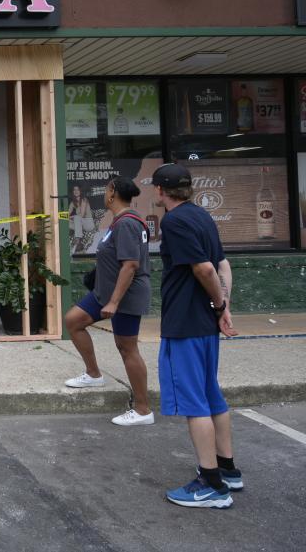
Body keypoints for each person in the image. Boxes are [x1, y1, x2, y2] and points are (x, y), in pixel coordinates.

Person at [152, 163, 240, 509]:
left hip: (186, 323)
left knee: (194, 402)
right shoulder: (203, 216)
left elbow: (204, 268)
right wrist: (223, 306)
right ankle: (228, 469)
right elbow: (223, 265)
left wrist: (219, 306)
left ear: (160, 191)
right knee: (211, 394)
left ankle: (211, 483)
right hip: (204, 323)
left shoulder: (174, 222)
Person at [63, 176, 154, 426]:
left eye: (106, 189)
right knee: (73, 320)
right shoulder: (120, 222)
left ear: (112, 192)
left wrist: (114, 302)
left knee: (127, 348)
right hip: (104, 292)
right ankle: (93, 374)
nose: (104, 194)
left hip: (124, 296)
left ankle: (143, 409)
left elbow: (130, 265)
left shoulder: (127, 224)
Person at [69, 184, 95, 254]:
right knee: (66, 221)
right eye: (74, 190)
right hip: (80, 225)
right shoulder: (72, 203)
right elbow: (67, 214)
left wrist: (71, 217)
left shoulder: (84, 200)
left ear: (80, 191)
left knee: (77, 217)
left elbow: (82, 215)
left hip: (88, 223)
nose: (76, 191)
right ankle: (76, 244)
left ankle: (78, 240)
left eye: (77, 189)